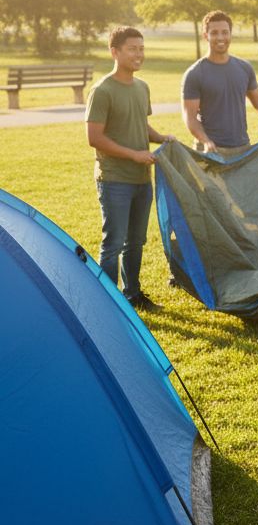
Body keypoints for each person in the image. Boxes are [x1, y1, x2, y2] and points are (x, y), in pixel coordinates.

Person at [85, 26, 175, 312]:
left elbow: (139, 124)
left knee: (136, 241)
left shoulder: (142, 87)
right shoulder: (102, 90)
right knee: (113, 243)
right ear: (115, 51)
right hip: (114, 179)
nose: (139, 54)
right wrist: (134, 155)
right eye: (132, 49)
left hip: (141, 179)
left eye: (141, 49)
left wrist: (161, 138)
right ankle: (108, 302)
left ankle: (132, 294)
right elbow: (94, 138)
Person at [181, 10, 258, 155]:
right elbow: (189, 117)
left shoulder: (244, 68)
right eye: (214, 33)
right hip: (211, 152)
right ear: (205, 36)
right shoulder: (194, 74)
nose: (220, 37)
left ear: (230, 34)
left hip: (242, 149)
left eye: (225, 32)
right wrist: (206, 141)